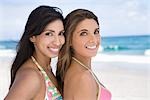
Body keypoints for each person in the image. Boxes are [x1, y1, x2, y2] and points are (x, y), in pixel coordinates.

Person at [5, 5, 64, 100]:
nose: (57, 42)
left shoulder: (46, 69)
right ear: (32, 37)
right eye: (49, 34)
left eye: (61, 33)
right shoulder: (31, 76)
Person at [56, 9, 111, 100]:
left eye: (96, 32)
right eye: (84, 33)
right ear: (69, 40)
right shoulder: (84, 78)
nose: (93, 39)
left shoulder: (74, 70)